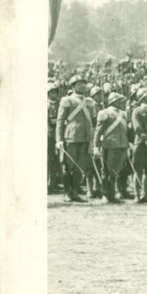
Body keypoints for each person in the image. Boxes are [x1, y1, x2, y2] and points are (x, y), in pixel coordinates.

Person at [55, 75, 95, 203]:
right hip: (70, 138)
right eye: (79, 84)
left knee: (79, 167)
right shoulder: (67, 100)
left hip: (85, 138)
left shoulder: (89, 102)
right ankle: (67, 193)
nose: (82, 86)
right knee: (68, 166)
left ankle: (75, 192)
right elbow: (60, 122)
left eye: (83, 84)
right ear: (72, 87)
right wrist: (59, 140)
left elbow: (91, 121)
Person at [93, 92, 129, 203]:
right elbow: (98, 132)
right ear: (114, 101)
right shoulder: (104, 113)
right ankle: (105, 194)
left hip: (122, 145)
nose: (122, 103)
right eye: (120, 101)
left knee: (115, 171)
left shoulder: (124, 114)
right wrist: (96, 147)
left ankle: (112, 193)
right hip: (110, 145)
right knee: (106, 171)